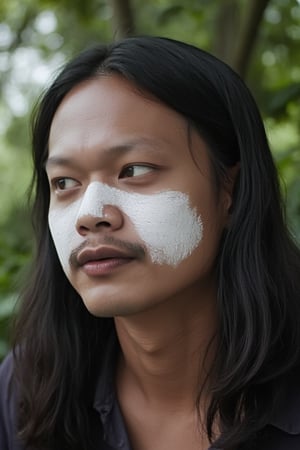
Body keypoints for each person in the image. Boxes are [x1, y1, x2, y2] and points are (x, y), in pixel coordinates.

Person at [0, 35, 300, 450]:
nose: (90, 213)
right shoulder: (25, 390)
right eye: (65, 182)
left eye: (134, 170)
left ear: (231, 191)